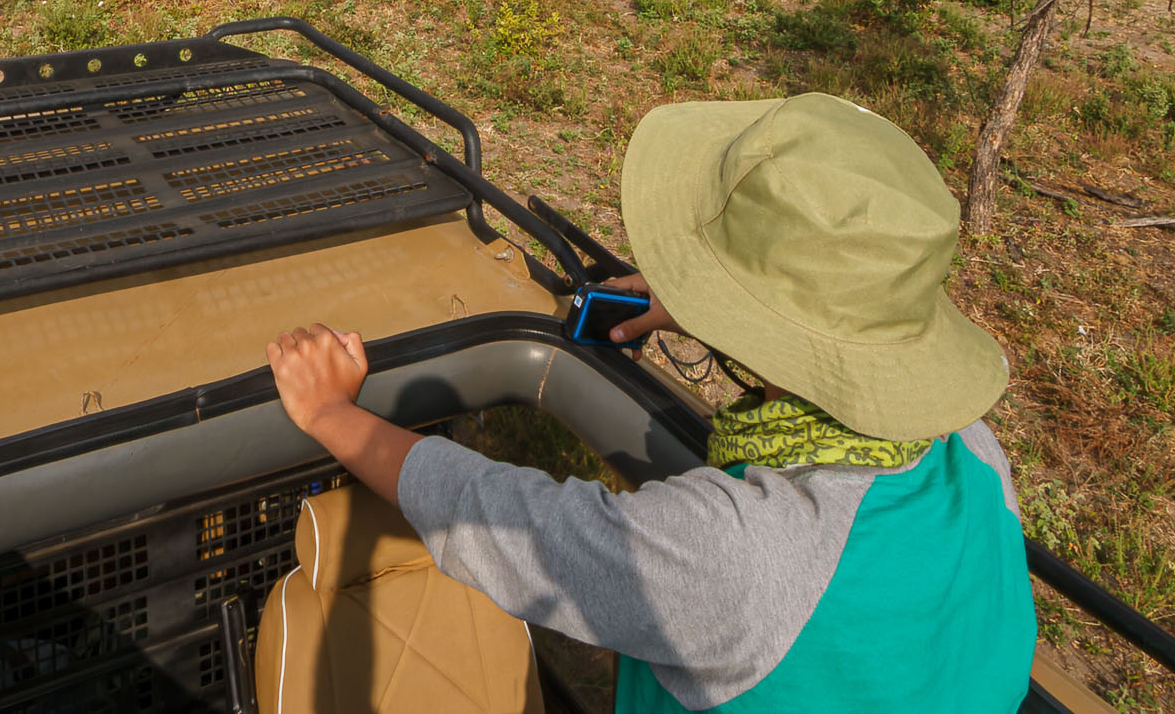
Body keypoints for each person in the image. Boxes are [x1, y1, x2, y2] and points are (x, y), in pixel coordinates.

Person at [265, 92, 1038, 713]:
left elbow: (508, 522)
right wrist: (711, 303)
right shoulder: (974, 452)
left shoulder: (737, 556)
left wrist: (330, 412)